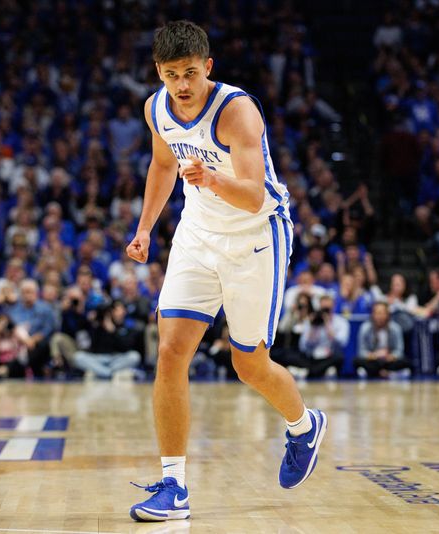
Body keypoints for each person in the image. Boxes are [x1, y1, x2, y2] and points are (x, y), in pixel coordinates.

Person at [126, 21, 327, 522]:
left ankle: (304, 426)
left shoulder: (237, 111)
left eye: (190, 73)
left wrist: (212, 178)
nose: (182, 85)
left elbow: (255, 194)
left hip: (256, 234)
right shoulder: (156, 108)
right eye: (171, 75)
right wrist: (146, 228)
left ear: (208, 67)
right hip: (197, 232)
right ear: (159, 73)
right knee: (170, 350)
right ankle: (174, 487)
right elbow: (161, 166)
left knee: (248, 366)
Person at [354, 301, 410, 378]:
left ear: (388, 315)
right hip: (373, 360)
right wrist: (373, 355)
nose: (380, 316)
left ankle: (375, 372)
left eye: (382, 313)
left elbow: (399, 350)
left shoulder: (395, 328)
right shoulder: (365, 328)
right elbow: (361, 351)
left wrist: (391, 356)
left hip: (389, 360)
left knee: (406, 362)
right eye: (377, 313)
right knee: (357, 361)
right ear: (373, 314)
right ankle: (388, 373)